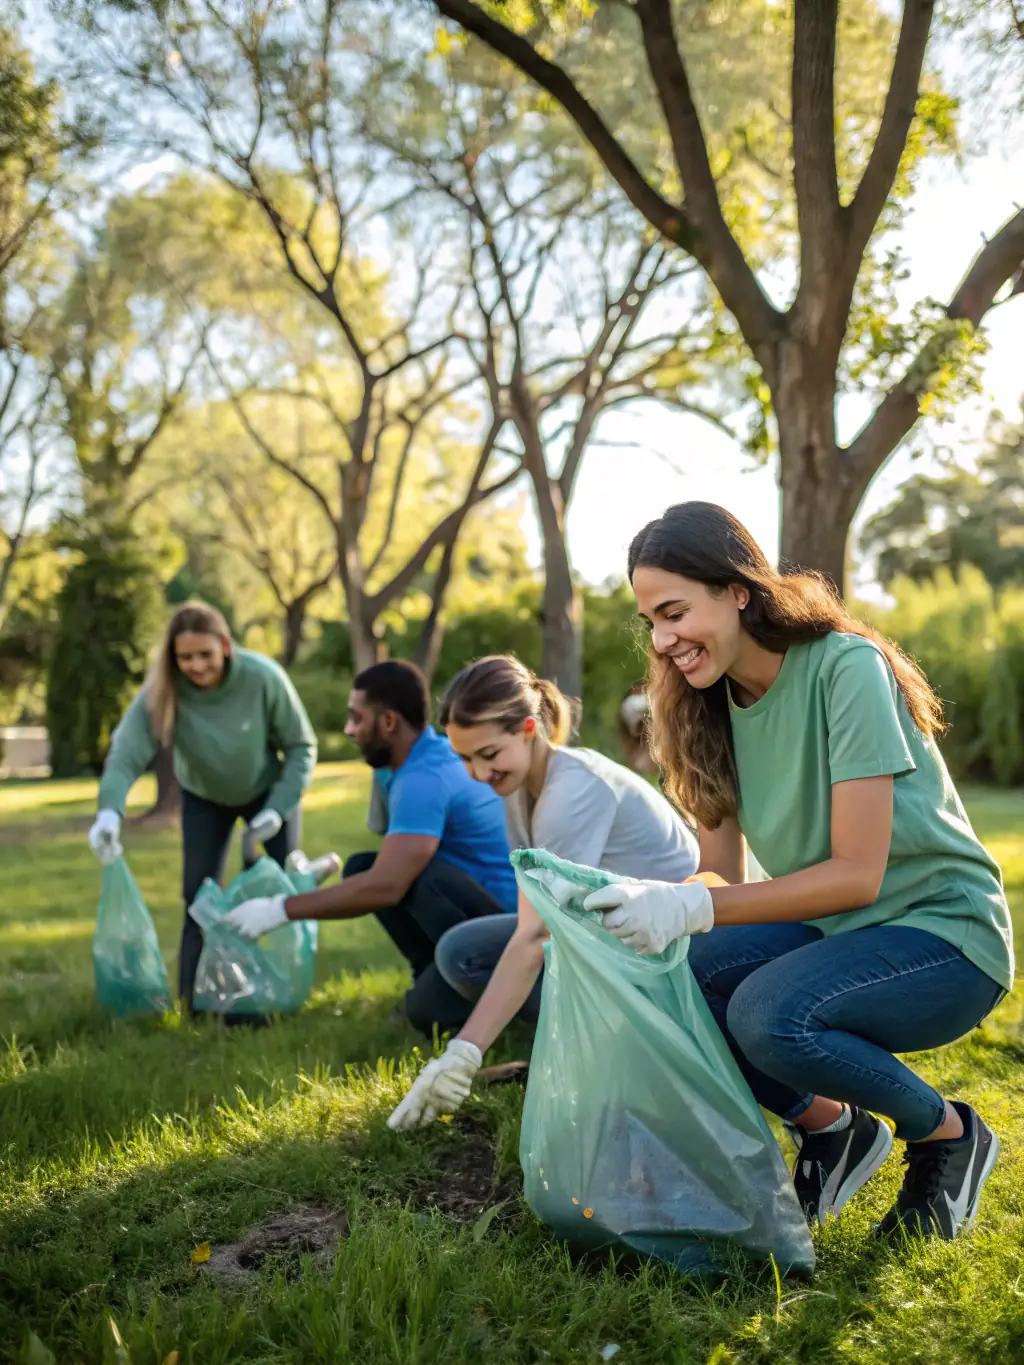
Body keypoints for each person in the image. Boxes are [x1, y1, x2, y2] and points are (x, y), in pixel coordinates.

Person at [579, 500, 1011, 1242]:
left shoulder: (845, 667)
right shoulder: (700, 705)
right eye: (650, 621)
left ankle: (946, 1135)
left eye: (675, 611)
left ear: (737, 590)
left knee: (766, 1013)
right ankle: (835, 1130)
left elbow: (857, 875)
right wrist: (650, 906)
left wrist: (691, 912)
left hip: (943, 936)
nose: (663, 638)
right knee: (677, 974)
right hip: (840, 932)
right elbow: (718, 873)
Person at [386, 653, 700, 1131]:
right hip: (605, 934)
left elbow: (536, 937)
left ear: (529, 728)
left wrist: (463, 1052)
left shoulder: (572, 792)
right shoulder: (517, 788)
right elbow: (536, 919)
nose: (477, 773)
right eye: (464, 758)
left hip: (673, 955)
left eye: (488, 754)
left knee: (495, 951)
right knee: (463, 951)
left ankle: (610, 1047)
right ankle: (578, 1039)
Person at [221, 660, 518, 1035]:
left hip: (504, 935)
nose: (349, 730)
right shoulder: (423, 758)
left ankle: (473, 990)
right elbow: (384, 844)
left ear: (389, 722)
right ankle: (430, 973)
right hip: (479, 907)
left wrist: (278, 910)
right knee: (363, 865)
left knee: (427, 1014)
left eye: (356, 718)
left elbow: (387, 886)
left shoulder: (422, 780)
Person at [89, 602, 317, 1008]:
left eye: (204, 655)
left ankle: (283, 991)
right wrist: (110, 811)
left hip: (268, 794)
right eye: (185, 657)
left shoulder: (262, 677)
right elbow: (126, 753)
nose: (195, 666)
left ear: (225, 646)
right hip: (205, 797)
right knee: (197, 896)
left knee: (280, 890)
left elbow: (302, 747)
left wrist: (276, 809)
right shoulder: (164, 689)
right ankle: (195, 1001)